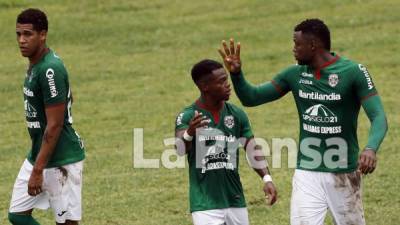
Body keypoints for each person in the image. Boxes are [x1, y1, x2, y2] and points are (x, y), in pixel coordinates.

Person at [218, 18, 387, 225]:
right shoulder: (294, 75)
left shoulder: (353, 72)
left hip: (344, 172)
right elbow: (252, 98)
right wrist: (236, 74)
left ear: (313, 45)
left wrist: (370, 148)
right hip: (307, 170)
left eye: (297, 44)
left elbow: (378, 116)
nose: (293, 49)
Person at [175, 59, 277, 225]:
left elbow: (252, 149)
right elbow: (179, 149)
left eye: (227, 79)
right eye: (221, 81)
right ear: (204, 86)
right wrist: (189, 133)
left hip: (235, 199)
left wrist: (267, 178)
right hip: (205, 204)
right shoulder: (188, 116)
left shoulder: (237, 114)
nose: (228, 85)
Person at [9, 8, 85, 225]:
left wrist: (38, 171)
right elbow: (68, 98)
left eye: (28, 34)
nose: (21, 40)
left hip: (61, 158)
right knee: (17, 214)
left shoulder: (50, 69)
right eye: (18, 34)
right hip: (39, 152)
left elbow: (55, 125)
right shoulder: (36, 64)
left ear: (43, 35)